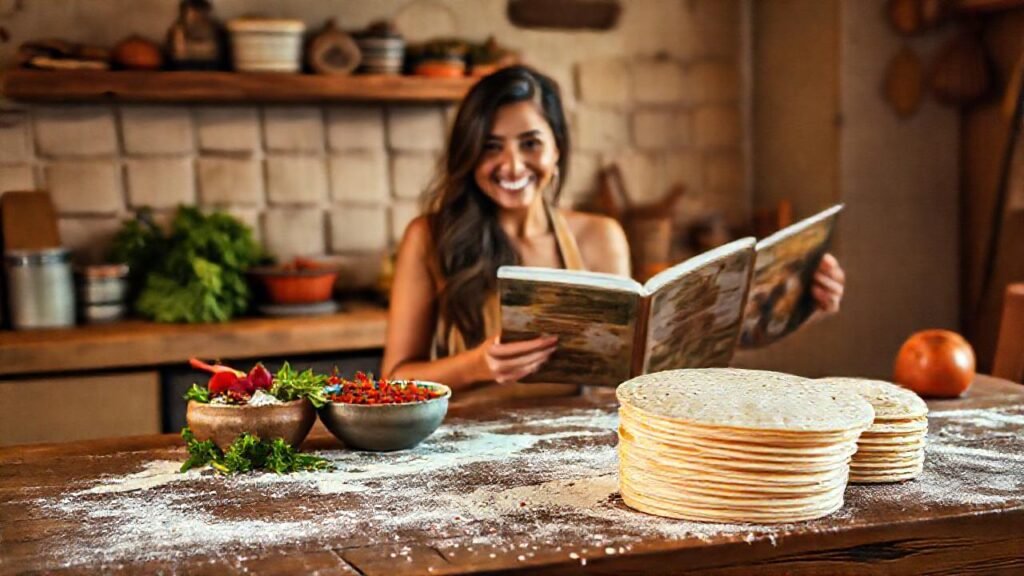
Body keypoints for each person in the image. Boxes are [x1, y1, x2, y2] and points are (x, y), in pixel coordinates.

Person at [381, 65, 845, 404]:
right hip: (464, 448)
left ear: (557, 148)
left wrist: (797, 301)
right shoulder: (429, 238)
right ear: (468, 156)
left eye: (530, 144)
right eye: (491, 148)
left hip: (582, 442)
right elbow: (394, 379)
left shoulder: (601, 237)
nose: (513, 166)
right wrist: (476, 365)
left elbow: (642, 370)